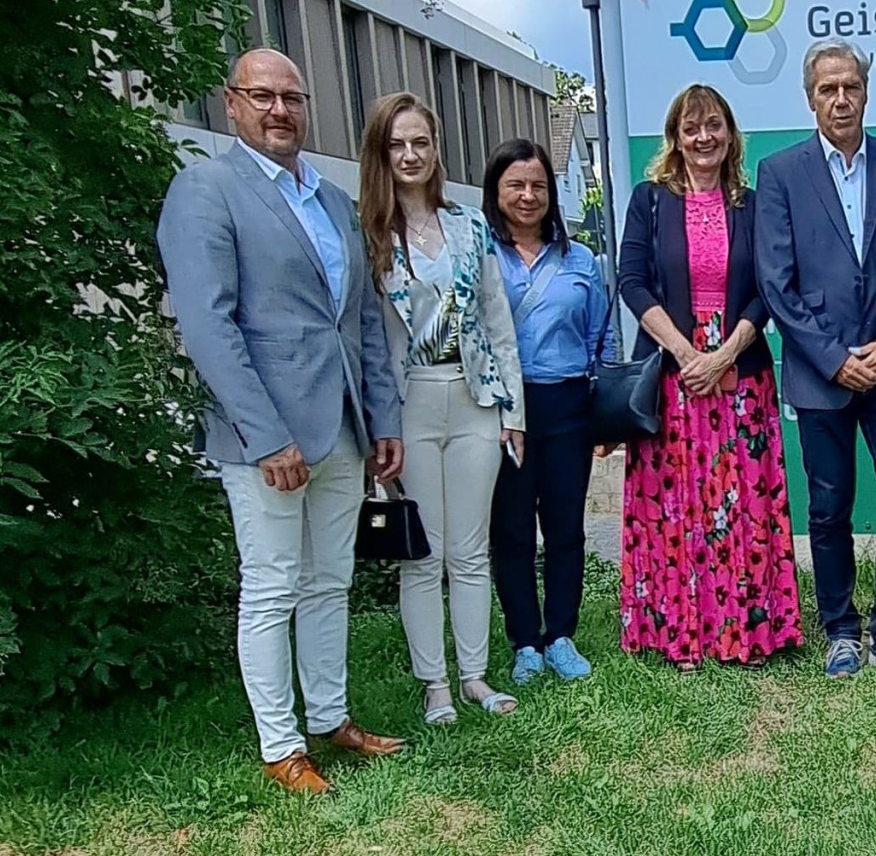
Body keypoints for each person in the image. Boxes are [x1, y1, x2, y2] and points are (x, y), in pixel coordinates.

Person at [157, 48, 405, 794]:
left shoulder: (330, 199)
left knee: (329, 581)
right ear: (231, 103)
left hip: (342, 427)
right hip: (266, 437)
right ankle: (280, 746)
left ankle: (330, 717)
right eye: (261, 96)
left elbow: (361, 319)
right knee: (270, 587)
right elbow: (209, 327)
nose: (279, 111)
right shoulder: (205, 191)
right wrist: (265, 436)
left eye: (291, 98)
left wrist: (383, 418)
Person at [755, 39, 876, 681]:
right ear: (810, 98)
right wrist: (834, 358)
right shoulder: (781, 172)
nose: (840, 99)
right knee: (829, 507)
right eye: (827, 89)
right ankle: (840, 628)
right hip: (821, 374)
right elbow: (776, 282)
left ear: (866, 93)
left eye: (850, 87)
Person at [617, 84, 802, 669]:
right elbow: (631, 280)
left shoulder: (752, 204)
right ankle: (682, 631)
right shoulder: (650, 200)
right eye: (691, 127)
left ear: (730, 133)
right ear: (675, 138)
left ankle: (748, 629)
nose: (704, 137)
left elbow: (769, 288)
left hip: (740, 372)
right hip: (671, 375)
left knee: (743, 503)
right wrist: (684, 353)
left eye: (714, 125)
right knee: (678, 504)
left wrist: (722, 355)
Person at [358, 92, 523, 725]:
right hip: (410, 406)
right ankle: (435, 687)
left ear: (435, 149)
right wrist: (377, 426)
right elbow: (368, 338)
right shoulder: (369, 233)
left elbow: (497, 323)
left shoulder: (470, 226)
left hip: (474, 398)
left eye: (420, 142)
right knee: (422, 555)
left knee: (471, 551)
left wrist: (513, 412)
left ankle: (475, 676)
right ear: (381, 153)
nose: (410, 155)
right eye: (397, 144)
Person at [484, 138, 618, 685]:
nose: (528, 195)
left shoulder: (579, 259)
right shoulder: (481, 255)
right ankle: (525, 642)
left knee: (565, 528)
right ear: (496, 190)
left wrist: (603, 414)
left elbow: (601, 338)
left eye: (538, 185)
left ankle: (561, 634)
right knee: (511, 529)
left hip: (568, 405)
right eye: (516, 184)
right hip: (504, 409)